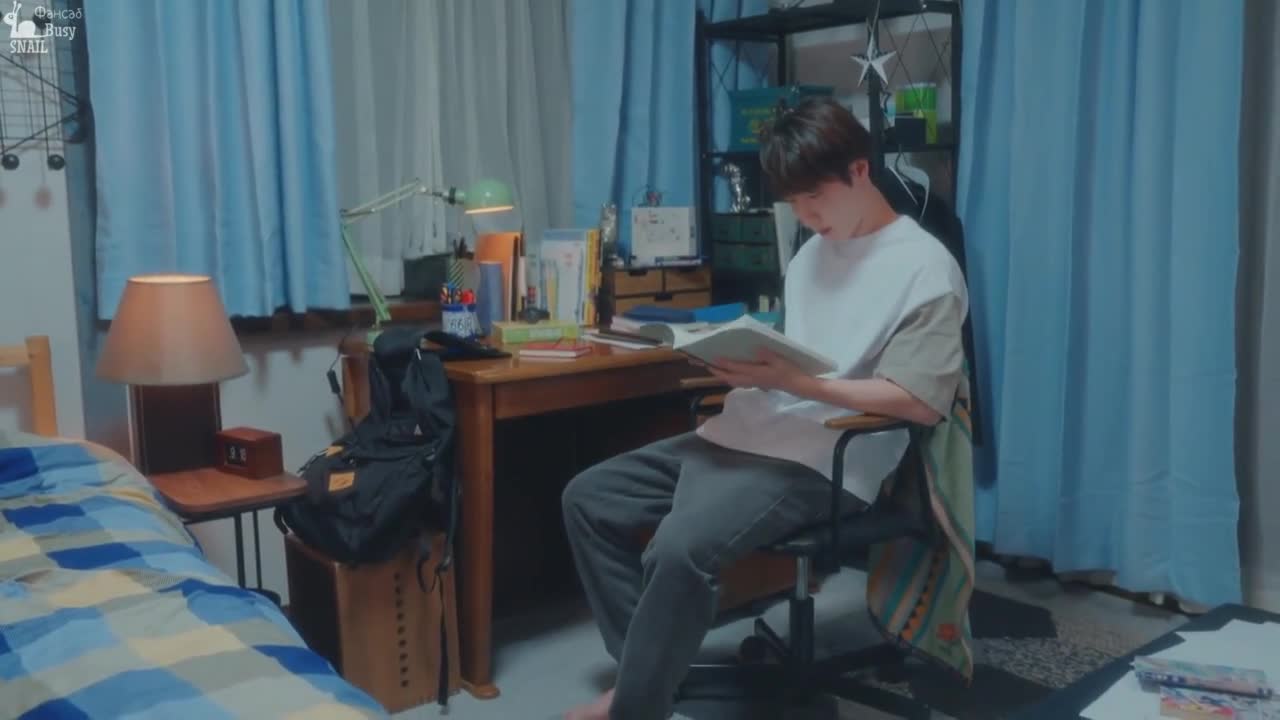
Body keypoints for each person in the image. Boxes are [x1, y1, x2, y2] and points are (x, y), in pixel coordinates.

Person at [560, 96, 969, 720]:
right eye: (794, 203)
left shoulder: (926, 269)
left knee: (679, 546)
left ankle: (634, 707)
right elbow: (797, 354)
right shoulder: (810, 255)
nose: (805, 216)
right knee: (589, 499)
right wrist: (738, 363)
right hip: (752, 431)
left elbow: (916, 401)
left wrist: (797, 384)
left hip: (828, 456)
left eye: (815, 198)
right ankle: (648, 675)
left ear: (860, 171)